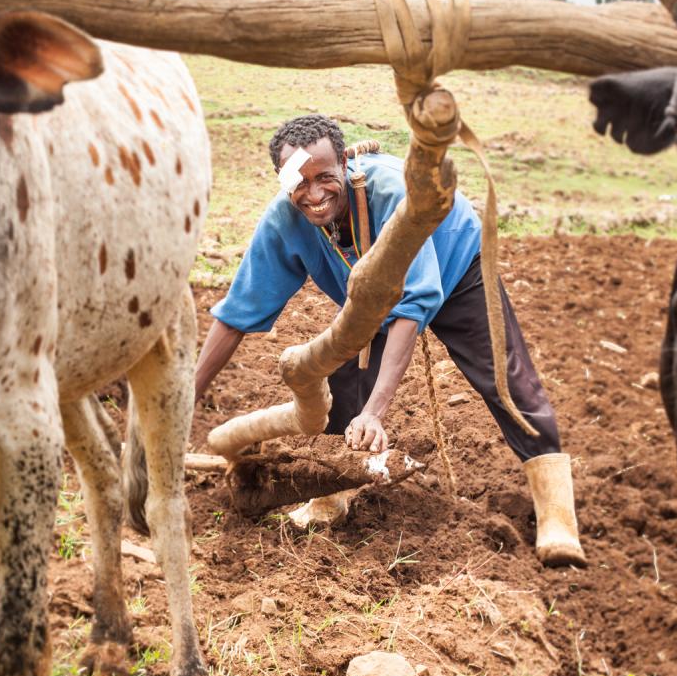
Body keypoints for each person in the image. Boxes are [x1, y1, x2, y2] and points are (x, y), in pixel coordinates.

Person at [196, 114, 585, 567]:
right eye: (299, 184)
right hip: (373, 291)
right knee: (340, 379)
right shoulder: (285, 220)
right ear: (281, 182)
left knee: (504, 377)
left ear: (344, 162)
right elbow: (237, 314)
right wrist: (190, 394)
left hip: (457, 263)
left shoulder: (390, 192)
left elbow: (413, 301)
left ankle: (557, 515)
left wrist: (376, 412)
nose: (315, 194)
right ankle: (332, 496)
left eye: (325, 177)